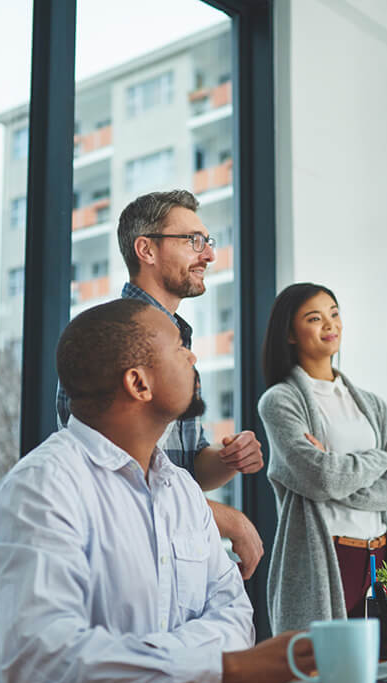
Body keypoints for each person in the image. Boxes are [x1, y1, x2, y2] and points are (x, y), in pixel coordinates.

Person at [0, 299, 314, 683]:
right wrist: (226, 669)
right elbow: (43, 661)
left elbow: (236, 618)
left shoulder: (183, 490)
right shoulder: (42, 487)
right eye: (178, 347)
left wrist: (138, 662)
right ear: (139, 384)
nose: (192, 356)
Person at [57, 190, 264, 579]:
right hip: (125, 562)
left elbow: (190, 467)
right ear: (146, 250)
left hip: (175, 554)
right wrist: (225, 519)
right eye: (193, 241)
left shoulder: (180, 344)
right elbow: (113, 479)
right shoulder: (105, 339)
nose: (209, 255)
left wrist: (227, 459)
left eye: (208, 242)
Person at [258, 283, 387, 633]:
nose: (330, 324)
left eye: (334, 313)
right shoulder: (280, 401)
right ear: (289, 334)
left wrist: (339, 470)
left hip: (382, 554)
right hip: (328, 556)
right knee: (325, 675)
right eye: (315, 318)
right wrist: (382, 459)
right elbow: (322, 479)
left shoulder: (372, 404)